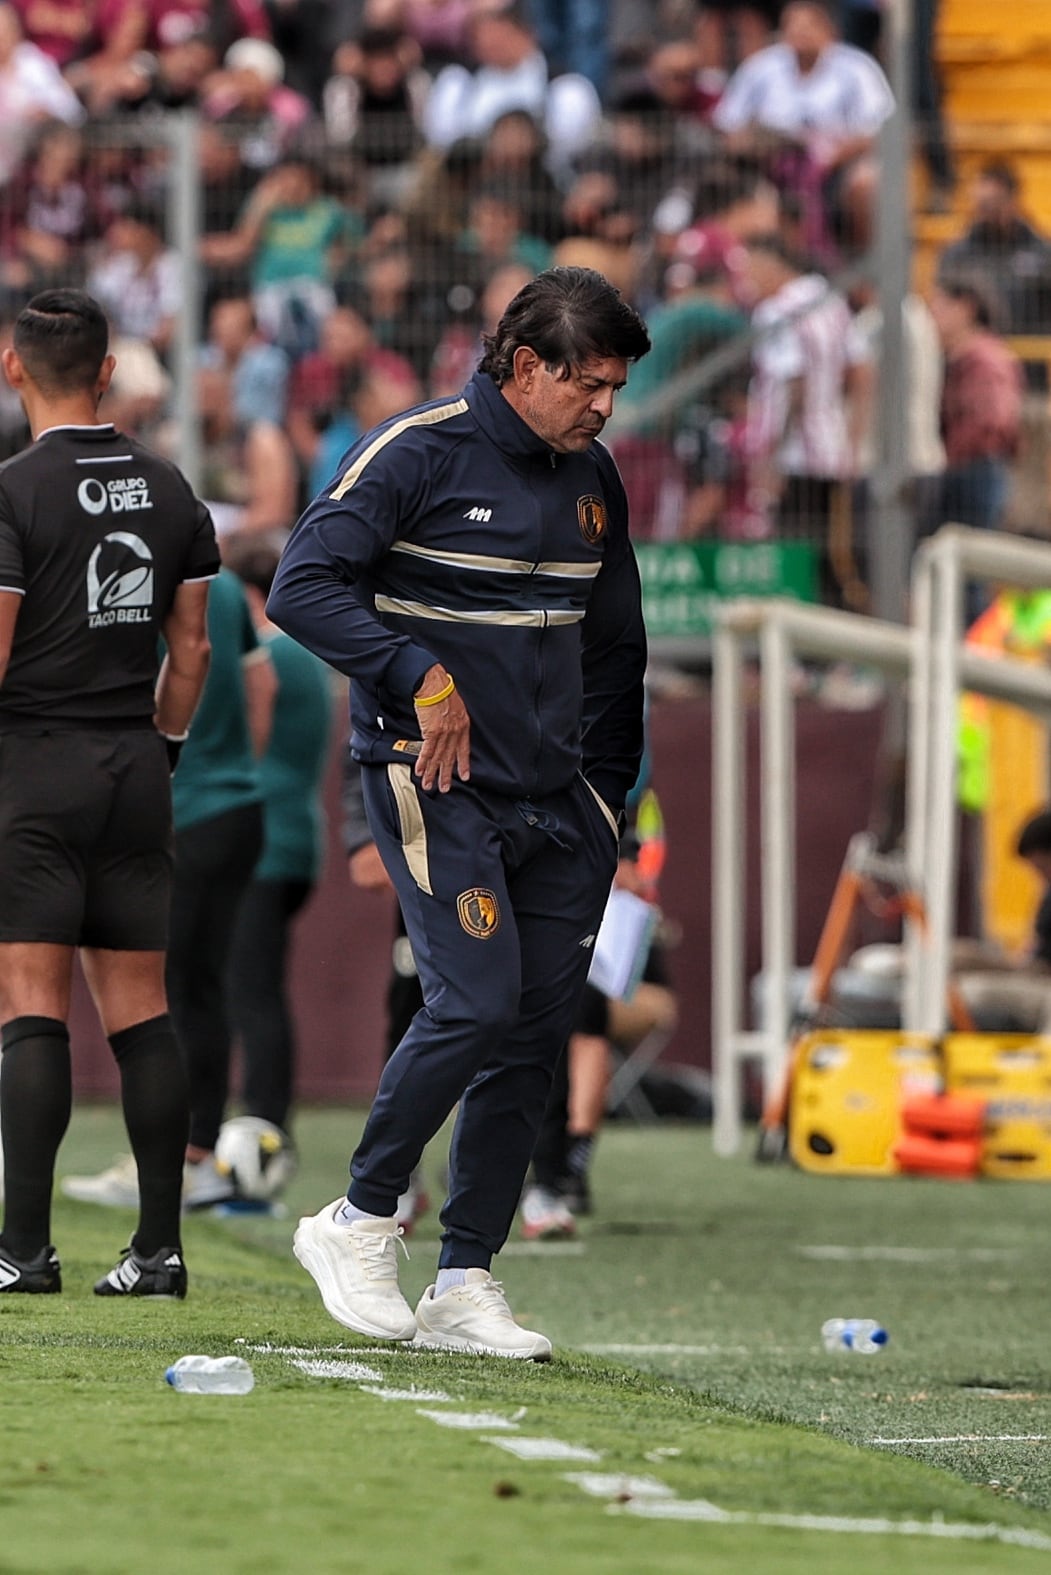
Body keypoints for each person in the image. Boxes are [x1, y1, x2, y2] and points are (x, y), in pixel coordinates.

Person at [267, 265, 650, 1359]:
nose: (604, 407)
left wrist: (605, 794)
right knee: (474, 1004)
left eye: (616, 388)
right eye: (590, 383)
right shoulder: (416, 449)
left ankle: (465, 1282)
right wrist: (417, 672)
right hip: (431, 777)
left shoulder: (595, 477)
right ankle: (356, 1217)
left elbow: (615, 646)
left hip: (563, 799)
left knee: (531, 1036)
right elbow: (301, 585)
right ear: (524, 366)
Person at [0, 288, 218, 1297]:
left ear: (14, 369)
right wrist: (164, 746)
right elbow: (194, 649)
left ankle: (24, 1252)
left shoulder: (11, 491)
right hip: (138, 767)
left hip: (35, 766)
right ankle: (158, 1251)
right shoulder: (171, 487)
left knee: (30, 1002)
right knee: (142, 1009)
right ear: (106, 375)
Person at [224, 536, 333, 1145]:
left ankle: (266, 1128)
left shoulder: (273, 656)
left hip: (263, 845)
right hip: (289, 843)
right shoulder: (301, 656)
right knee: (256, 988)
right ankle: (265, 1124)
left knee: (252, 993)